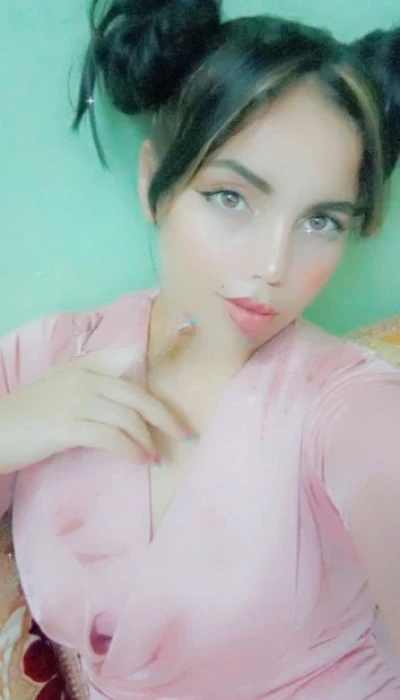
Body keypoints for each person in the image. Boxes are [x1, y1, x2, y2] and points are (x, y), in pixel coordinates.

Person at [0, 0, 400, 697]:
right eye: (231, 198)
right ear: (153, 182)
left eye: (321, 221)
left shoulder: (346, 402)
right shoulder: (48, 356)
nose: (273, 266)